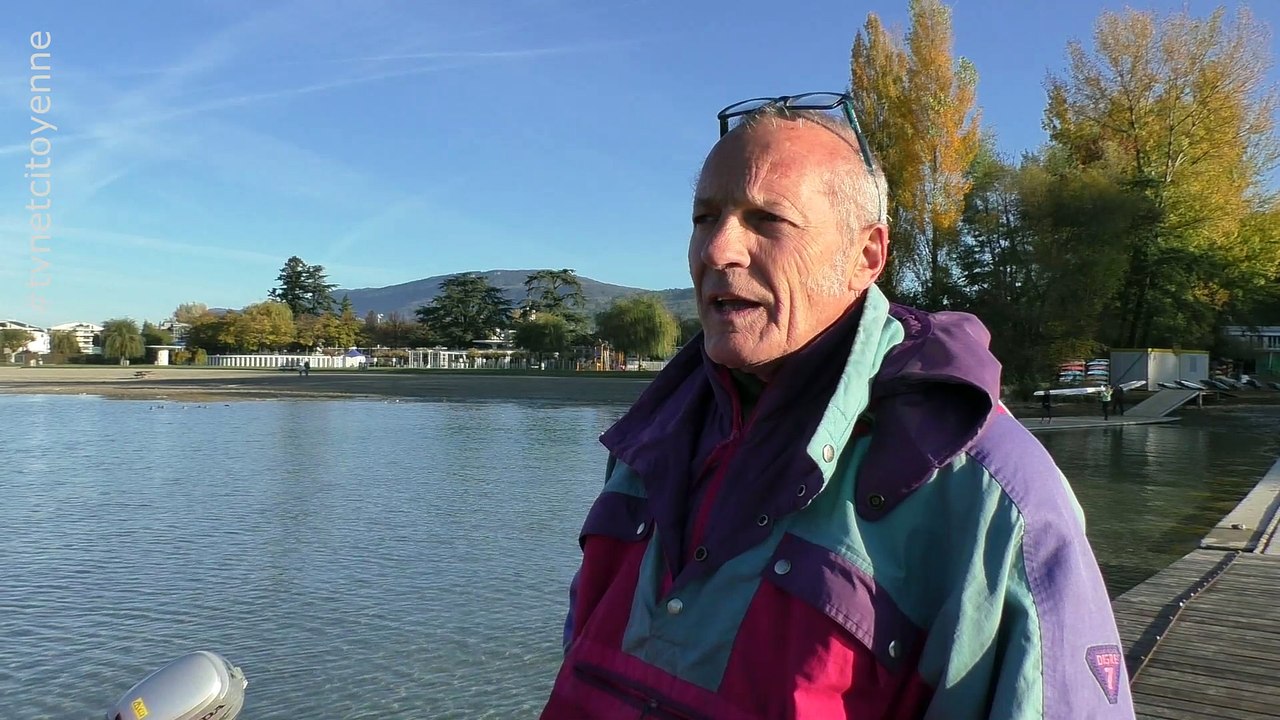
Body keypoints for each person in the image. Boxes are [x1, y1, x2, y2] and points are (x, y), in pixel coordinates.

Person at [539, 93, 1134, 719]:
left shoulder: (990, 496)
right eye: (704, 217)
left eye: (766, 219)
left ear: (866, 257)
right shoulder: (646, 446)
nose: (718, 251)